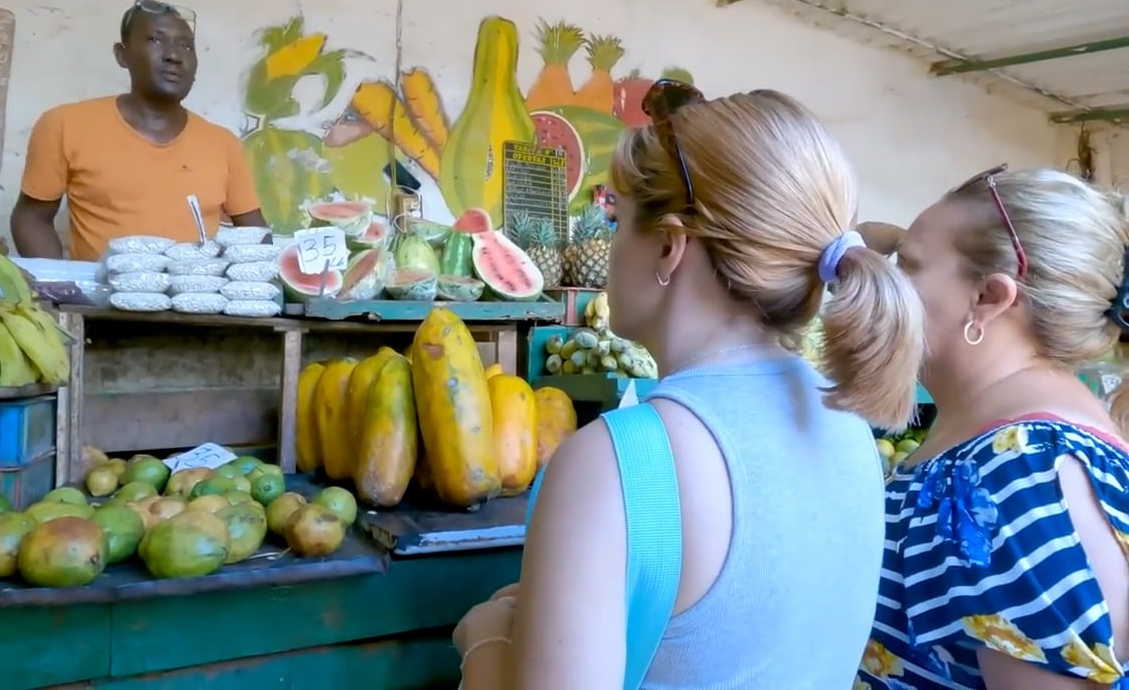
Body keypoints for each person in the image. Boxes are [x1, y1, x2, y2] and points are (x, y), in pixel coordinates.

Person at [453, 82, 925, 689]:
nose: (611, 244)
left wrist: (486, 636)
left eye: (616, 221)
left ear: (670, 246)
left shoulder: (615, 464)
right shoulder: (849, 425)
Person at [855, 166, 1129, 689]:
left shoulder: (1015, 477)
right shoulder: (995, 450)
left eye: (908, 265)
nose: (886, 281)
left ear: (989, 298)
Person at [10, 0, 267, 261]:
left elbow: (256, 235)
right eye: (156, 40)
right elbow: (32, 219)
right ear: (122, 54)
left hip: (194, 298)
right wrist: (59, 286)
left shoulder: (223, 144)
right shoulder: (64, 124)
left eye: (186, 46)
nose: (174, 55)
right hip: (99, 299)